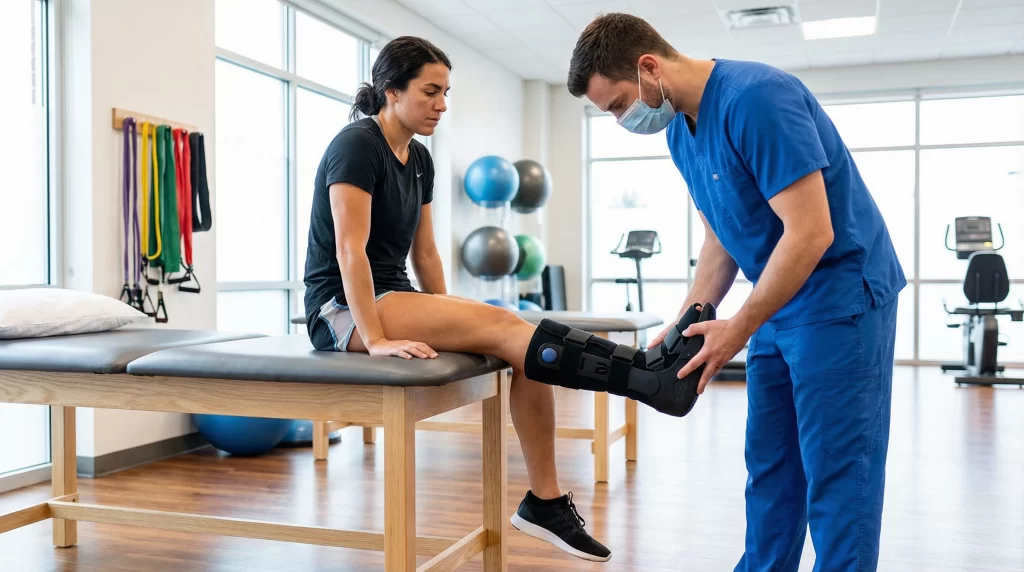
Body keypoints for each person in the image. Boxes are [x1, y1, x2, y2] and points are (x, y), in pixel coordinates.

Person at [303, 35, 714, 563]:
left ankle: (546, 501)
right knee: (504, 327)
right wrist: (378, 339)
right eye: (430, 92)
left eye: (446, 92)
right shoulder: (357, 145)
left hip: (392, 294)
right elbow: (348, 249)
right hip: (340, 309)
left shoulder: (420, 159)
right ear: (391, 91)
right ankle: (648, 379)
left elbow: (425, 253)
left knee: (518, 337)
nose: (442, 105)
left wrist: (454, 318)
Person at [565, 13, 907, 572]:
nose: (621, 119)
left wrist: (740, 326)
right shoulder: (679, 128)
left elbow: (812, 231)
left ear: (649, 68)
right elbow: (720, 241)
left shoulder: (758, 98)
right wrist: (684, 328)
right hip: (777, 298)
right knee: (771, 467)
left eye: (619, 103)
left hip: (840, 296)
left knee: (839, 474)